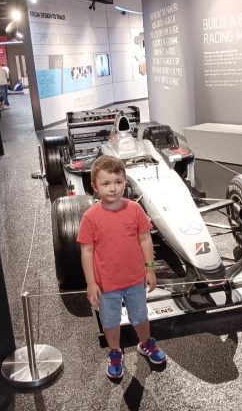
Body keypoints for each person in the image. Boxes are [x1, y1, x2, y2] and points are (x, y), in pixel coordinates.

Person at [77, 155, 166, 379]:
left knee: (140, 316)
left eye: (118, 182)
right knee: (110, 322)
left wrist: (149, 269)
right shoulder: (90, 217)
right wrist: (91, 283)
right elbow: (86, 251)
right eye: (106, 183)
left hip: (135, 280)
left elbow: (145, 239)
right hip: (106, 285)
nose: (113, 188)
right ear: (95, 186)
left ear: (125, 182)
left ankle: (145, 343)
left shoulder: (135, 210)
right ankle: (115, 352)